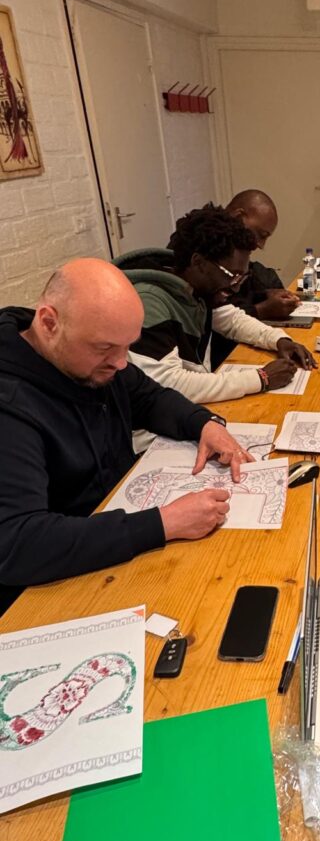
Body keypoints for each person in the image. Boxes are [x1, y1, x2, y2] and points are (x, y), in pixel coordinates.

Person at [0, 259, 257, 611]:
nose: (121, 363)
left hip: (116, 538)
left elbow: (149, 397)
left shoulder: (89, 357)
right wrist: (164, 523)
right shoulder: (10, 405)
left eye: (127, 347)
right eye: (105, 349)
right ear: (48, 323)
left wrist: (204, 424)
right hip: (47, 594)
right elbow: (18, 544)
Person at [114, 205, 315, 420]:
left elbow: (231, 320)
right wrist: (261, 378)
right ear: (199, 263)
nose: (235, 288)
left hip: (193, 410)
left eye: (241, 278)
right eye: (232, 275)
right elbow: (167, 384)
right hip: (153, 427)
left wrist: (279, 340)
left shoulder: (194, 286)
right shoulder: (148, 302)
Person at [224, 189, 301, 323]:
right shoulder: (209, 253)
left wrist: (264, 295)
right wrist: (261, 310)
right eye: (261, 235)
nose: (261, 245)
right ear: (238, 217)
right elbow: (218, 316)